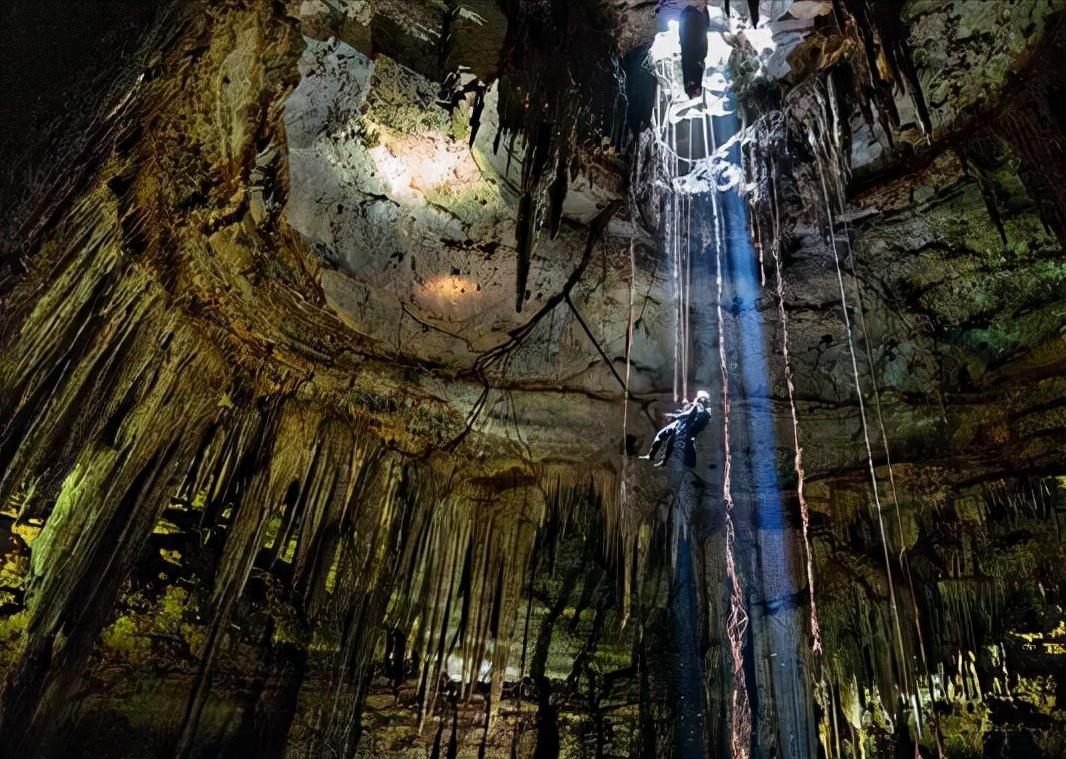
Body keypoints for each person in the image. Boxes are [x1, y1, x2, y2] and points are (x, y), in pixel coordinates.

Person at [640, 390, 712, 468]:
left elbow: (688, 414)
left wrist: (675, 416)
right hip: (681, 427)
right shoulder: (703, 411)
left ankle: (657, 458)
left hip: (683, 429)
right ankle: (656, 458)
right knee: (667, 439)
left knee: (669, 440)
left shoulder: (700, 408)